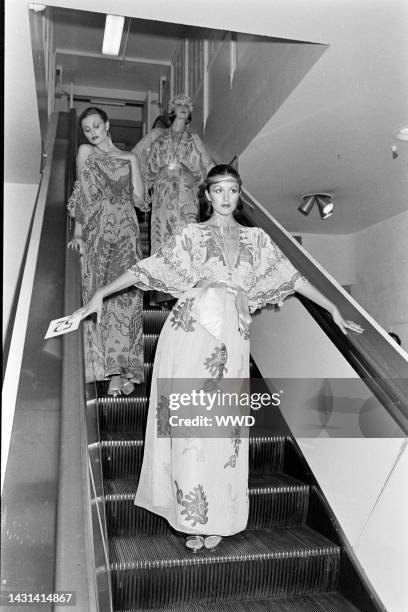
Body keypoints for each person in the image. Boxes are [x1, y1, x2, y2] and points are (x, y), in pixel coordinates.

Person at [71, 164, 363, 551]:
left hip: (233, 338)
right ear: (207, 195)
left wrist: (333, 308)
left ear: (238, 194)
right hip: (191, 333)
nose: (226, 197)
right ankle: (193, 519)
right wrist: (99, 294)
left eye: (233, 190)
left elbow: (293, 278)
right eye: (219, 190)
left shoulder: (256, 240)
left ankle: (219, 518)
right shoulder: (192, 235)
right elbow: (147, 269)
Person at [68, 107, 148, 396]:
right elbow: (82, 192)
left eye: (96, 126)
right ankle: (112, 370)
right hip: (99, 230)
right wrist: (78, 233)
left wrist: (131, 160)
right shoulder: (86, 152)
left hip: (127, 230)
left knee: (126, 296)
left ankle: (127, 368)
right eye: (87, 129)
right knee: (102, 294)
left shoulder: (128, 157)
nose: (92, 132)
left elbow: (139, 199)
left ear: (107, 124)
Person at [132, 94, 214, 256]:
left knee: (187, 236)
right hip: (163, 190)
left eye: (187, 105)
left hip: (187, 190)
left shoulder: (194, 139)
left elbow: (209, 166)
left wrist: (221, 183)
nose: (183, 107)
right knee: (162, 233)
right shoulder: (157, 134)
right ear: (171, 110)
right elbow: (134, 155)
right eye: (179, 104)